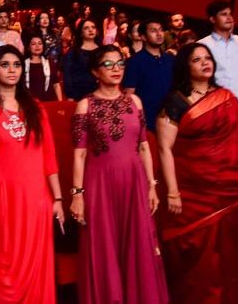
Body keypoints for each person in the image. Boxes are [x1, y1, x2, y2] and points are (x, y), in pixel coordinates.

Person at [155, 43, 238, 303]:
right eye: (196, 59)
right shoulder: (175, 101)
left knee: (230, 257)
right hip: (192, 193)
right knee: (198, 258)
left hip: (229, 190)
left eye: (207, 58)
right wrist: (172, 193)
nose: (205, 63)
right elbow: (164, 149)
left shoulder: (227, 98)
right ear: (186, 66)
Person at [0, 45, 64, 304]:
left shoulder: (36, 109)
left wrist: (59, 199)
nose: (12, 70)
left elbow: (49, 157)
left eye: (17, 65)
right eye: (5, 64)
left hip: (34, 200)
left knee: (34, 271)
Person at [71, 45, 168, 304]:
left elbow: (144, 146)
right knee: (105, 245)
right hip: (100, 184)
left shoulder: (135, 101)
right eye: (108, 64)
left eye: (120, 64)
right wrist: (78, 195)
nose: (116, 70)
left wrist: (151, 185)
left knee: (137, 243)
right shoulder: (84, 105)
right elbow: (79, 154)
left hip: (134, 181)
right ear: (95, 71)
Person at [198, 0, 238, 118]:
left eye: (230, 14)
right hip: (213, 107)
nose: (229, 18)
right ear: (212, 19)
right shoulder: (203, 45)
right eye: (223, 14)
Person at [123, 18, 174, 131]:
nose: (159, 34)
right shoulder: (135, 61)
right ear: (143, 37)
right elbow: (129, 94)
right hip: (145, 121)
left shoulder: (170, 59)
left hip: (169, 120)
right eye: (153, 31)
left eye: (160, 30)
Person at [62, 19, 99, 101]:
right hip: (79, 94)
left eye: (93, 27)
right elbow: (67, 75)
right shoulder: (73, 51)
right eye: (86, 28)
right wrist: (70, 96)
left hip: (100, 92)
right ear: (81, 33)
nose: (90, 30)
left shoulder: (103, 50)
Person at [24, 34, 63, 102]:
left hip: (49, 102)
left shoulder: (50, 62)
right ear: (28, 47)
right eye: (33, 44)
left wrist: (60, 103)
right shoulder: (23, 64)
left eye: (40, 43)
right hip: (29, 102)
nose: (37, 46)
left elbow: (56, 85)